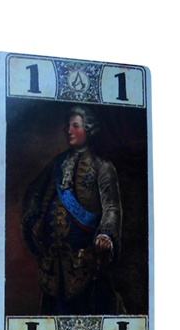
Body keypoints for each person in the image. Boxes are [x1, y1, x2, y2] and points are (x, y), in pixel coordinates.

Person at [21, 106, 124, 315]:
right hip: (53, 266)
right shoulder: (57, 164)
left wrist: (106, 234)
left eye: (75, 126)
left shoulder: (102, 167)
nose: (69, 130)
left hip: (85, 264)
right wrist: (33, 221)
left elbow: (111, 207)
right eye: (68, 126)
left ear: (88, 129)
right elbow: (34, 193)